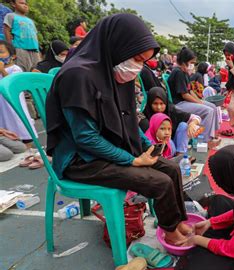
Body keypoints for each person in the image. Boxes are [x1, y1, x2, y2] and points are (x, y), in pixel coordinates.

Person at [45, 13, 191, 245]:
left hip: (109, 147)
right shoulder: (77, 76)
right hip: (81, 160)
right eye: (136, 58)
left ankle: (178, 221)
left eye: (144, 61)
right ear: (116, 46)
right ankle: (171, 232)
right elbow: (85, 138)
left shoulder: (113, 73)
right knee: (160, 182)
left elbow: (129, 121)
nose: (138, 67)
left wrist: (148, 147)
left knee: (171, 169)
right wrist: (132, 160)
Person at [167, 47, 221, 146]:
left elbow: (190, 90)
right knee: (208, 111)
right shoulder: (178, 72)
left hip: (185, 101)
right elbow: (184, 94)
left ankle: (212, 134)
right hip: (178, 103)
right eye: (192, 62)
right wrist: (199, 103)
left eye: (194, 63)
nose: (193, 65)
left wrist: (200, 101)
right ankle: (203, 141)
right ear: (184, 61)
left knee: (212, 106)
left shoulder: (184, 72)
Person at [141, 87, 201, 154]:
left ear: (166, 103)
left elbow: (196, 117)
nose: (159, 107)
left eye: (161, 103)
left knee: (184, 125)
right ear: (150, 103)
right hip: (158, 148)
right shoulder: (145, 116)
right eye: (155, 104)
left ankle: (180, 154)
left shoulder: (171, 111)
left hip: (173, 144)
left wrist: (192, 124)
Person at [0, 40, 37, 144]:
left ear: (13, 56)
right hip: (2, 110)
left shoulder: (15, 69)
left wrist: (2, 71)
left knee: (22, 132)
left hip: (14, 109)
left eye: (1, 52)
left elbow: (11, 85)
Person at [4, 0, 40, 72]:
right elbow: (6, 30)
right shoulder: (11, 16)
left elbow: (35, 35)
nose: (25, 5)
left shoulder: (30, 20)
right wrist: (11, 48)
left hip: (34, 50)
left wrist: (38, 51)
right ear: (13, 4)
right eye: (21, 3)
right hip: (20, 48)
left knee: (35, 71)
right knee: (21, 70)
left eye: (26, 4)